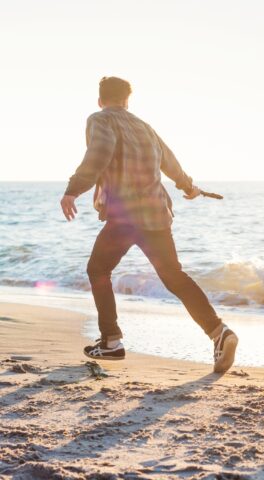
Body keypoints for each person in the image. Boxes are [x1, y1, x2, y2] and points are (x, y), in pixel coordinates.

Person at [60, 76, 238, 373]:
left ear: (100, 100)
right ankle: (219, 332)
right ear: (127, 100)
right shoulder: (144, 126)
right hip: (156, 214)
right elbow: (170, 161)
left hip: (125, 216)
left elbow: (99, 153)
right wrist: (188, 186)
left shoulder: (99, 120)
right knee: (174, 276)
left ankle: (111, 342)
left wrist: (73, 188)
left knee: (98, 270)